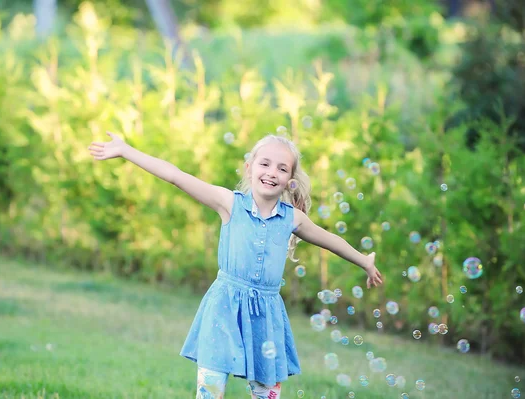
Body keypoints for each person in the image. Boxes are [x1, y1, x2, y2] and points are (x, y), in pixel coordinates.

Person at [89, 132, 383, 399]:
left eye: (282, 169)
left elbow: (330, 240)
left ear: (290, 179)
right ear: (249, 168)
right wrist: (126, 150)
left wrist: (364, 261)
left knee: (266, 393)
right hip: (224, 308)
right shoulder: (229, 202)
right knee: (210, 391)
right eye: (264, 164)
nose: (271, 173)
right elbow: (175, 176)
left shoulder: (292, 218)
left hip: (266, 315)